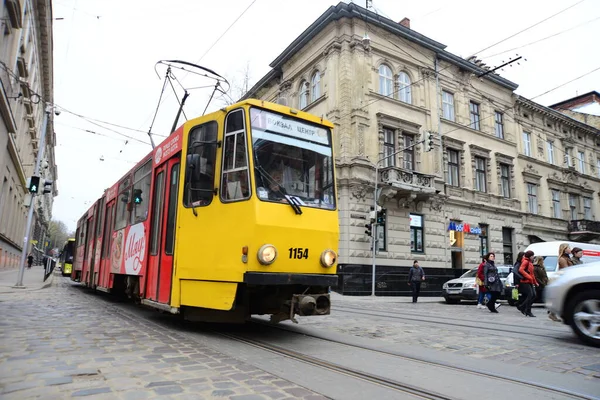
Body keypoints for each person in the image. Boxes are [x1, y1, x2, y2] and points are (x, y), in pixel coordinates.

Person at [517, 250, 538, 317]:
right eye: (532, 255)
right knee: (531, 295)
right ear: (530, 256)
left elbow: (532, 274)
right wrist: (528, 277)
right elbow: (521, 270)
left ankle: (524, 308)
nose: (533, 257)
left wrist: (535, 282)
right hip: (525, 281)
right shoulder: (525, 261)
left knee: (534, 295)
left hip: (530, 281)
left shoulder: (530, 262)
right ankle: (526, 309)